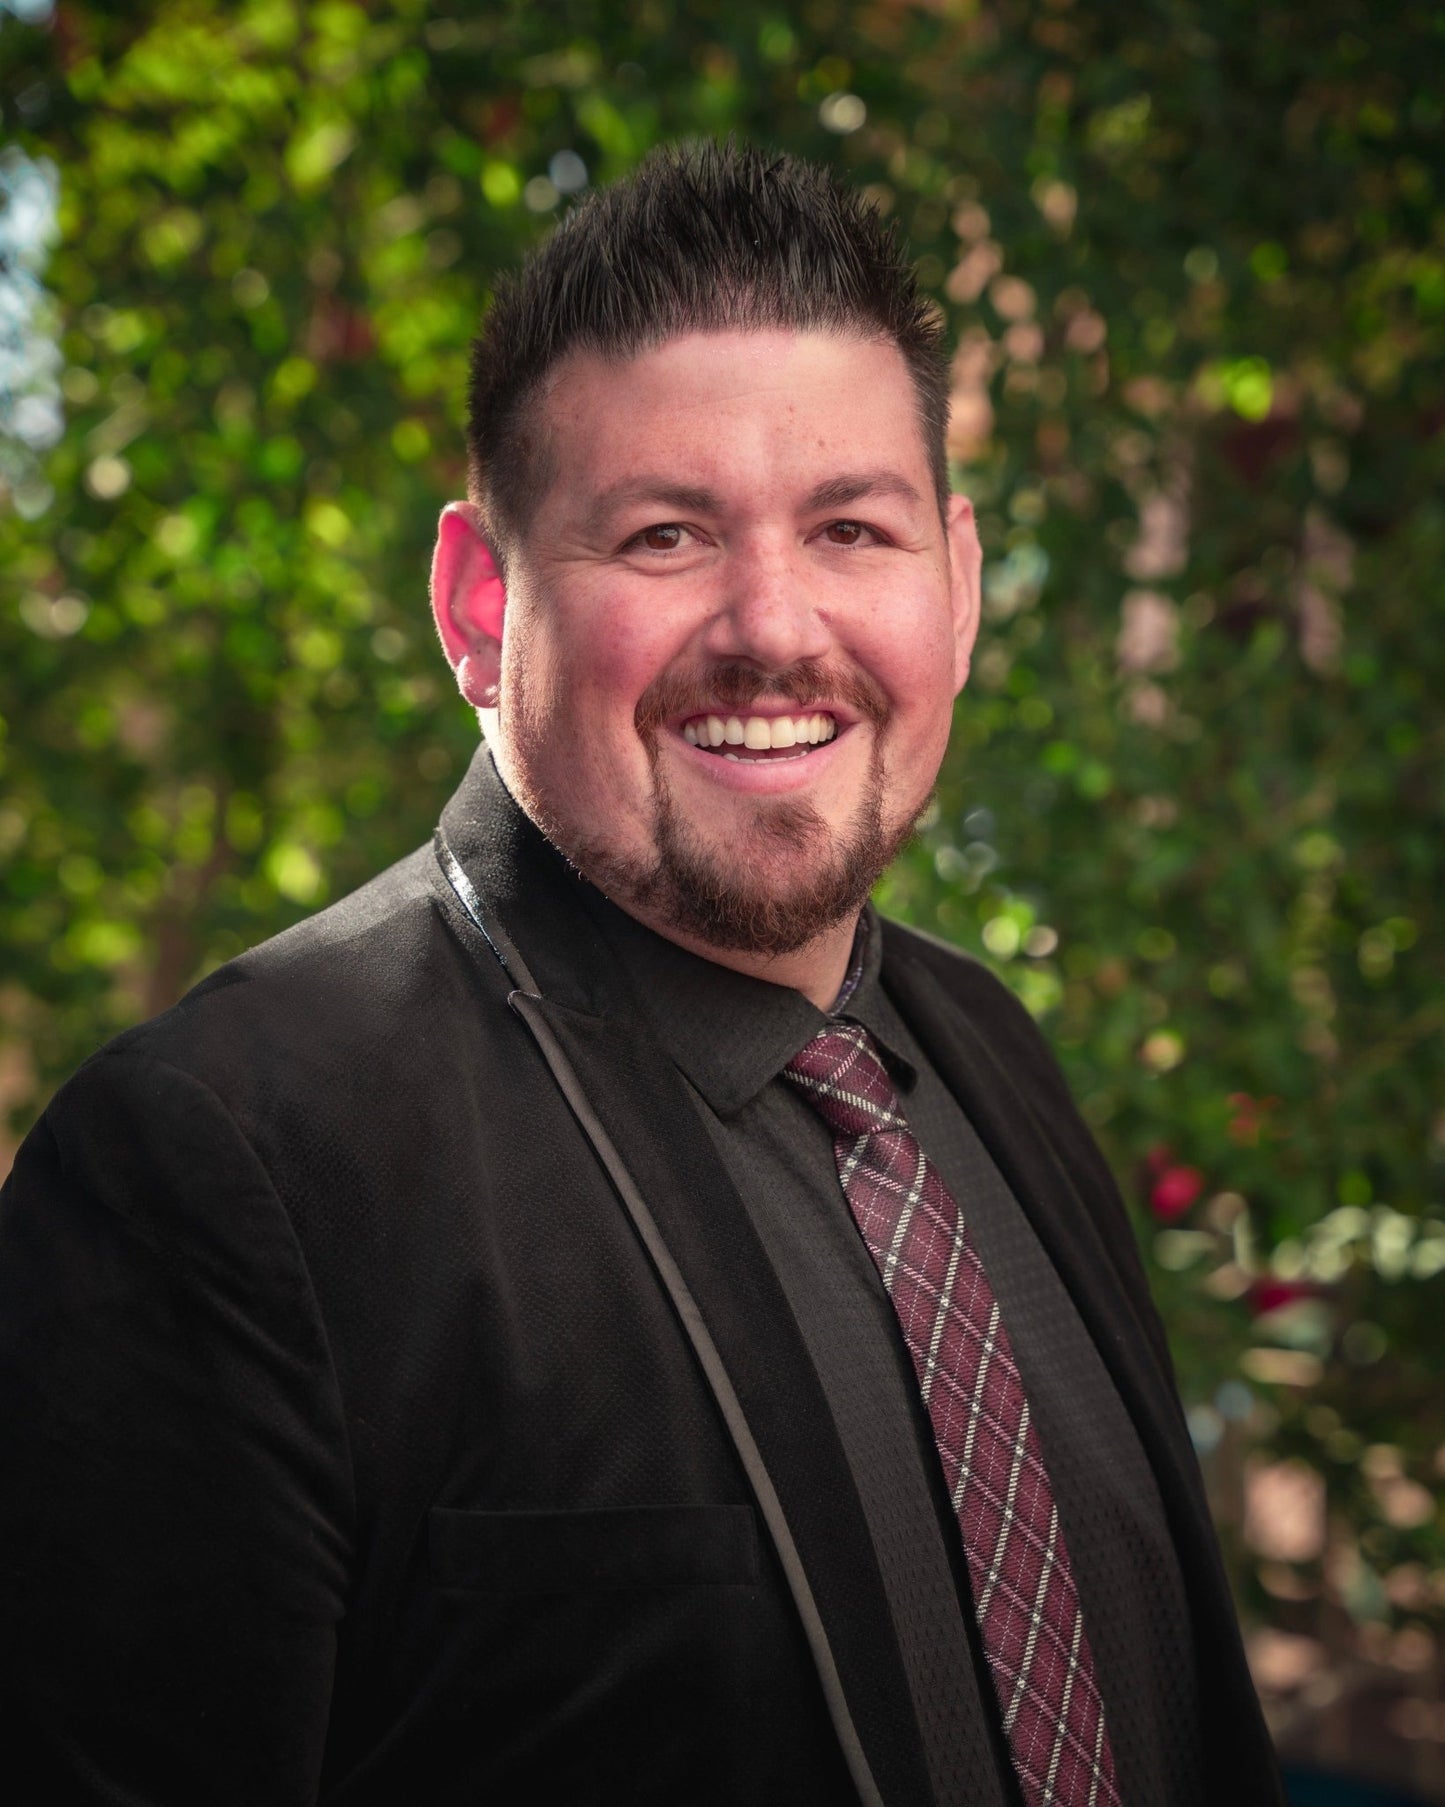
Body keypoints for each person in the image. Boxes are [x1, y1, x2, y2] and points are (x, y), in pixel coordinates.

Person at [0, 141, 1283, 1806]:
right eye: (667, 535)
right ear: (478, 603)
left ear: (954, 591)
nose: (774, 624)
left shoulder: (987, 1058)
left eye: (849, 528)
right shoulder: (224, 1165)